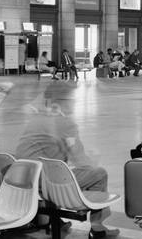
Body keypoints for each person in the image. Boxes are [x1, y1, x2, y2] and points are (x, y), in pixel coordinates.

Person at [15, 84, 120, 238]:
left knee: (60, 171)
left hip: (25, 179)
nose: (73, 103)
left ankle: (54, 220)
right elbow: (80, 160)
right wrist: (94, 161)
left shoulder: (36, 120)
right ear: (61, 101)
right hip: (46, 183)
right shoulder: (64, 123)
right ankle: (97, 227)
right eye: (71, 100)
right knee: (99, 174)